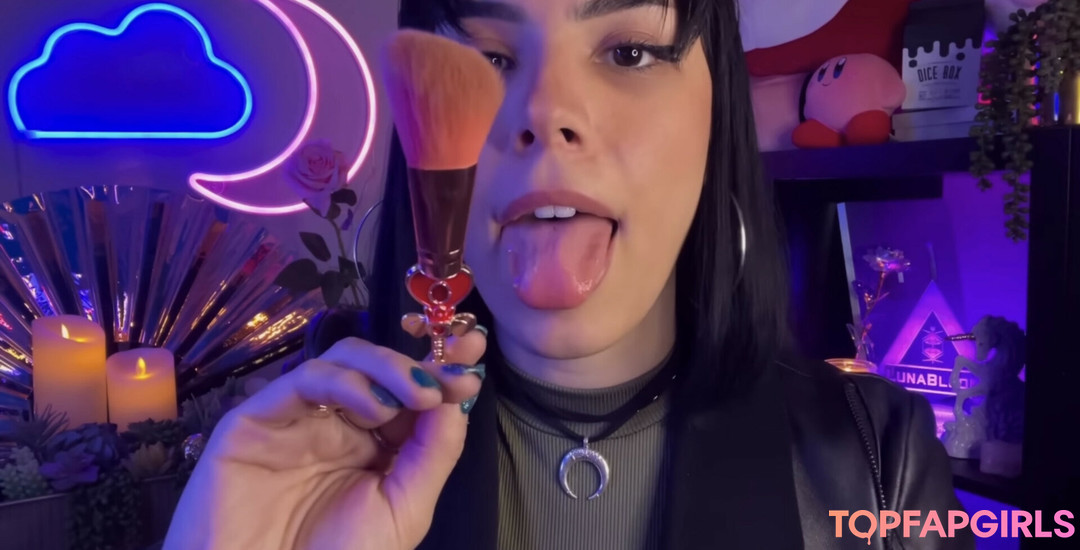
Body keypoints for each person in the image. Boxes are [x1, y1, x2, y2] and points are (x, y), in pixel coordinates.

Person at [165, 0, 973, 548]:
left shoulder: (882, 459)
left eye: (629, 51)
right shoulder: (316, 452)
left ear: (717, 106)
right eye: (487, 56)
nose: (545, 111)